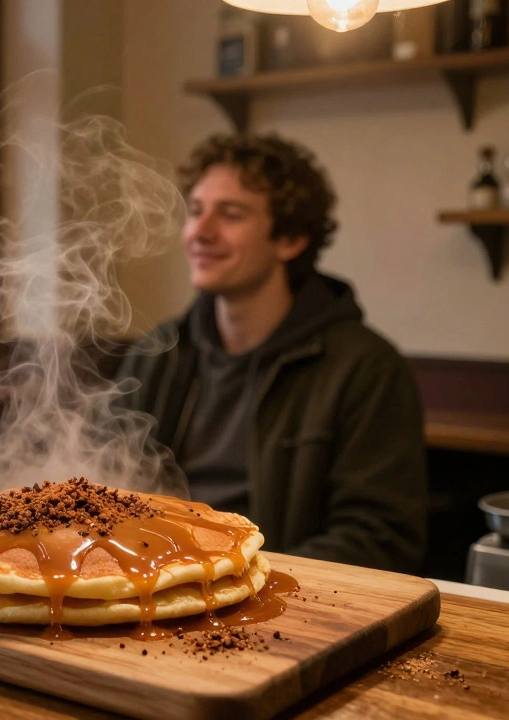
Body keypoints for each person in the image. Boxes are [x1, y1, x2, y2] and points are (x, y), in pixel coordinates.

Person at [115, 134, 428, 573]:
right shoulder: (159, 352)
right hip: (159, 586)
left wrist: (238, 573)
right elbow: (105, 486)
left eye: (231, 214)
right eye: (197, 210)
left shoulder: (365, 367)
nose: (200, 232)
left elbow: (379, 539)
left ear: (291, 239)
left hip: (283, 602)